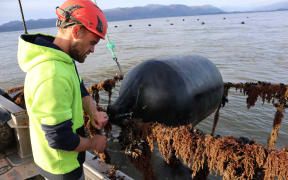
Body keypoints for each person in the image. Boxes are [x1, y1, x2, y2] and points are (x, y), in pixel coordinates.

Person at [17, 0, 109, 179]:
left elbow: (79, 86)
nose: (92, 50)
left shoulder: (62, 57)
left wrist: (93, 112)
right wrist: (94, 143)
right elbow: (59, 139)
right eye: (92, 42)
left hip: (53, 158)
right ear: (76, 31)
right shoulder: (52, 75)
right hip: (61, 167)